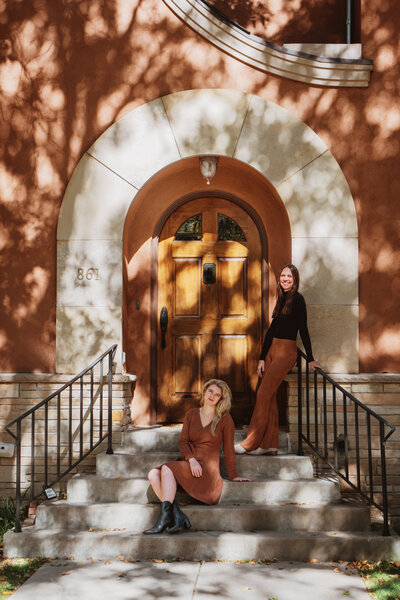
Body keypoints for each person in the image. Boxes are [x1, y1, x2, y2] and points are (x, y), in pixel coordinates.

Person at [144, 379, 251, 535]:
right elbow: (183, 442)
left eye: (217, 395)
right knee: (153, 474)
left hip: (207, 472)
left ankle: (163, 519)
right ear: (205, 391)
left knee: (166, 468)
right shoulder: (192, 414)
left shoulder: (225, 419)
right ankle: (176, 515)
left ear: (221, 399)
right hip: (192, 465)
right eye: (210, 391)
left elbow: (228, 450)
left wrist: (233, 475)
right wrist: (192, 460)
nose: (212, 396)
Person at [234, 264, 320, 456]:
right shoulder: (282, 299)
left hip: (286, 352)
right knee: (270, 397)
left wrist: (311, 359)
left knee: (263, 394)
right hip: (273, 348)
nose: (285, 279)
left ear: (295, 279)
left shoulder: (298, 300)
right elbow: (271, 331)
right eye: (283, 275)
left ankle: (250, 442)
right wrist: (262, 358)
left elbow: (303, 330)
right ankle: (268, 445)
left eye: (289, 276)